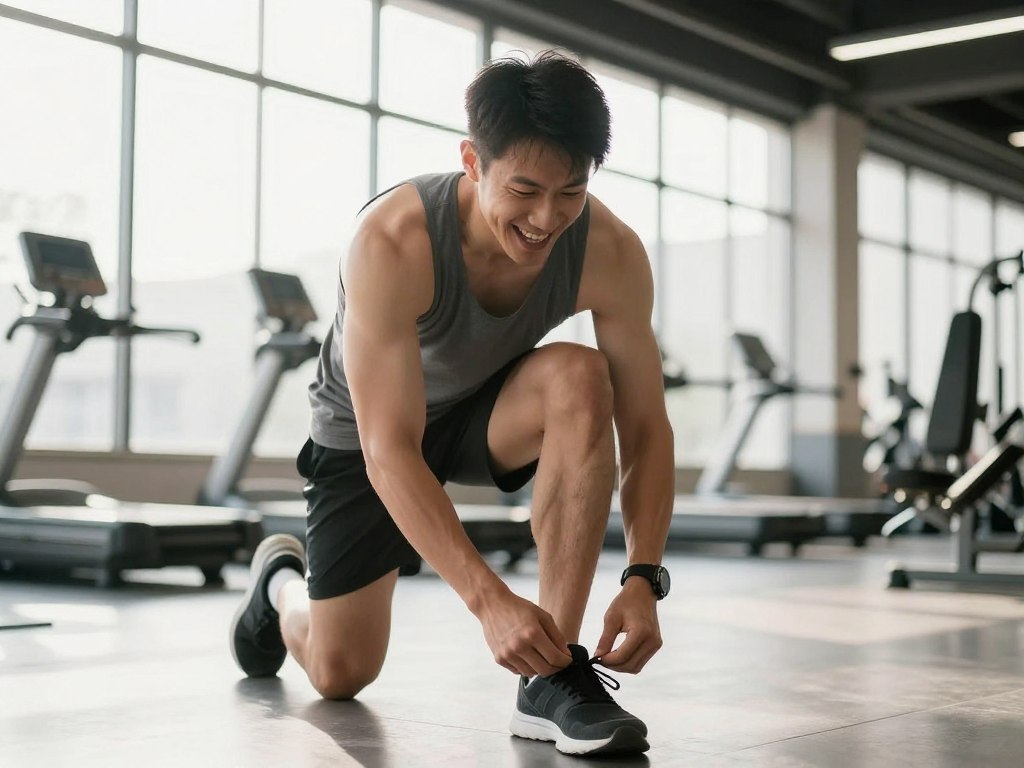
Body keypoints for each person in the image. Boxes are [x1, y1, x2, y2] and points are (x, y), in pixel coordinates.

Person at [230, 50, 674, 757]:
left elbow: (647, 429)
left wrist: (645, 576)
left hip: (481, 413)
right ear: (473, 161)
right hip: (366, 435)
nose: (546, 217)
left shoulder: (610, 251)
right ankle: (281, 580)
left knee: (582, 377)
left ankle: (552, 678)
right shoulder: (392, 241)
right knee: (340, 673)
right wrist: (490, 602)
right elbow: (389, 449)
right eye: (525, 189)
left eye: (571, 192)